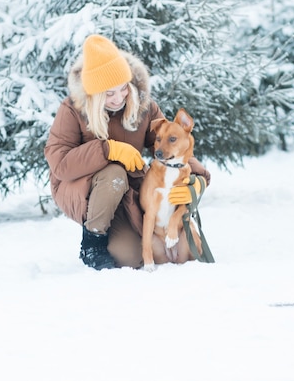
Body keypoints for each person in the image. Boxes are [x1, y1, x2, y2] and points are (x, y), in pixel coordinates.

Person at [44, 34, 211, 270]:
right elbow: (59, 164)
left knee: (132, 258)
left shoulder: (143, 105)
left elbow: (172, 145)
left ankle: (115, 233)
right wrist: (107, 149)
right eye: (109, 94)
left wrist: (199, 180)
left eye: (123, 88)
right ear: (94, 94)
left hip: (126, 191)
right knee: (114, 173)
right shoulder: (72, 109)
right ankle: (92, 241)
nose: (119, 98)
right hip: (81, 188)